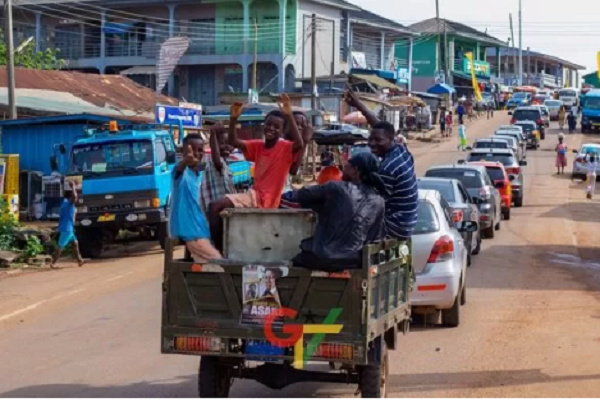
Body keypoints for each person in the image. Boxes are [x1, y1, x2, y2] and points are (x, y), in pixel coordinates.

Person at [209, 95, 304, 250]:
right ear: (263, 126)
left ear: (282, 131)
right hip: (254, 195)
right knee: (220, 212)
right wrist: (233, 118)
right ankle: (223, 248)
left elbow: (299, 143)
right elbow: (234, 142)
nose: (271, 129)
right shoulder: (258, 146)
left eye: (276, 127)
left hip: (262, 199)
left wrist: (288, 114)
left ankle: (220, 252)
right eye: (268, 125)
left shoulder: (285, 148)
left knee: (215, 206)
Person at [287, 153, 386, 271]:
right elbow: (374, 238)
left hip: (321, 257)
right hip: (353, 261)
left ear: (355, 170)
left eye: (347, 166)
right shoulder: (379, 201)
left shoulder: (336, 188)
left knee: (289, 263)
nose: (343, 169)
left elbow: (302, 195)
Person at [344, 89, 418, 241]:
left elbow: (371, 202)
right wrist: (359, 105)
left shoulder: (387, 169)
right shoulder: (401, 150)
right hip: (407, 224)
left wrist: (353, 182)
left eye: (378, 141)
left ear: (390, 140)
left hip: (394, 226)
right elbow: (380, 126)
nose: (372, 144)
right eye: (370, 139)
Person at [170, 134, 222, 263]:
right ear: (184, 151)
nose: (197, 154)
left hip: (202, 232)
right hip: (192, 234)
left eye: (200, 150)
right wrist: (185, 161)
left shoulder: (199, 175)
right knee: (220, 262)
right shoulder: (181, 173)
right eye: (193, 149)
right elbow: (178, 171)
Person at [199, 124, 236, 215]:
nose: (227, 146)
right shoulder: (213, 161)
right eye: (222, 143)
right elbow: (216, 160)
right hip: (213, 214)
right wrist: (214, 134)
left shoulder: (226, 164)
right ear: (214, 144)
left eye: (228, 143)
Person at [51, 183, 84, 269]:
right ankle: (53, 263)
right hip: (67, 229)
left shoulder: (65, 203)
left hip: (68, 228)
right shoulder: (69, 204)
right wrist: (73, 187)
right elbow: (75, 197)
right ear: (70, 196)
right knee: (60, 246)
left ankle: (79, 260)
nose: (77, 198)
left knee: (75, 243)